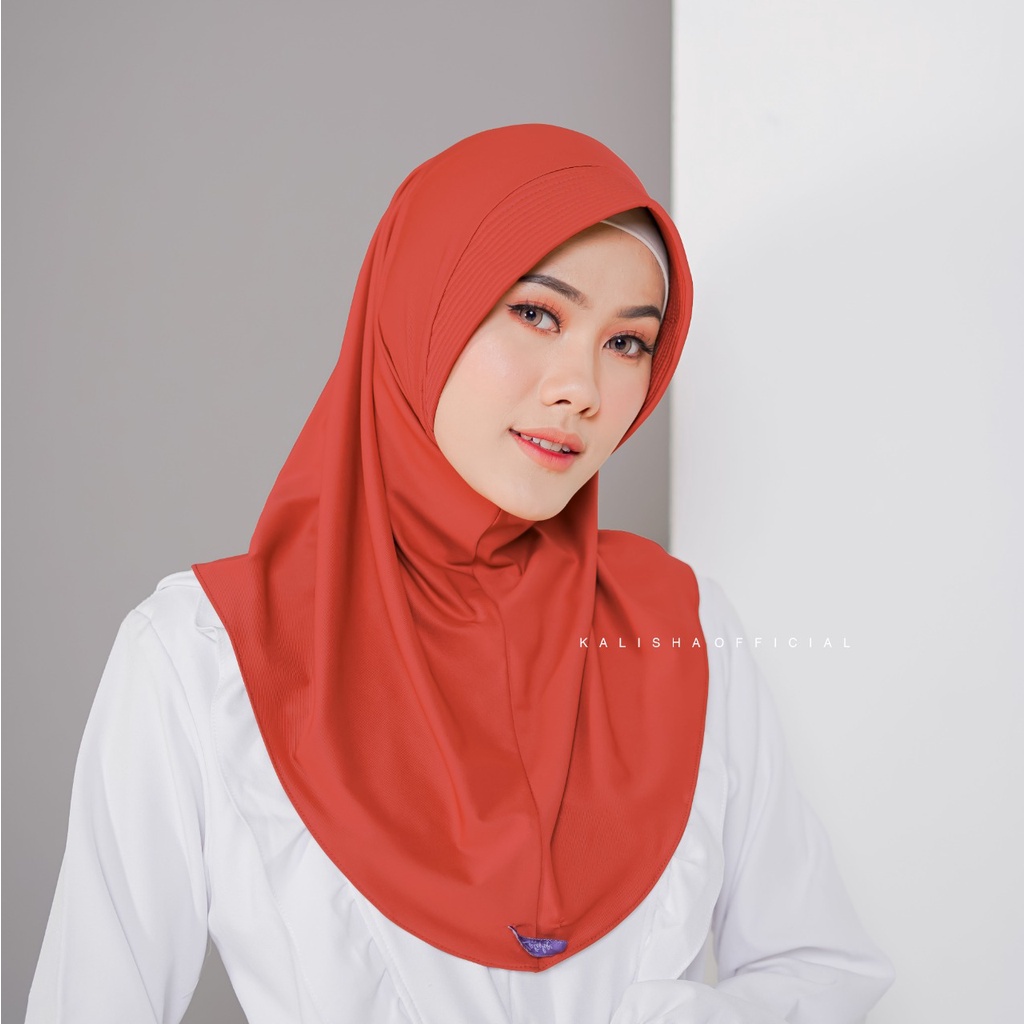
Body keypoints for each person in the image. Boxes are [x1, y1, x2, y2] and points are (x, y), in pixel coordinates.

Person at [26, 124, 894, 1023]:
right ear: (422, 308)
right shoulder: (204, 655)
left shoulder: (682, 627)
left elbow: (820, 967)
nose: (582, 388)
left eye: (628, 343)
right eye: (537, 314)